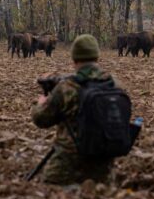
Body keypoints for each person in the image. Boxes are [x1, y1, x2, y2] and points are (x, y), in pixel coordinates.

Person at [31, 34, 118, 186]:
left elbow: (41, 120)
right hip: (104, 167)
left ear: (74, 59)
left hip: (66, 165)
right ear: (97, 57)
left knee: (47, 192)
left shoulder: (67, 87)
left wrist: (41, 103)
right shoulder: (113, 85)